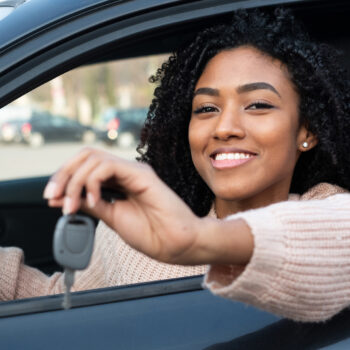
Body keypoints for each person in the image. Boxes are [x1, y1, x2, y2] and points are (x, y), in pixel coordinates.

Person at [1, 8, 350, 322]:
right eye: (206, 109)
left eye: (257, 105)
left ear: (307, 131)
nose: (225, 128)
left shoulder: (329, 216)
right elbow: (58, 305)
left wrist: (199, 241)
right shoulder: (134, 232)